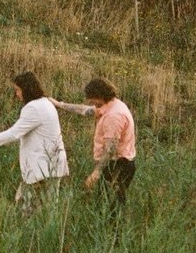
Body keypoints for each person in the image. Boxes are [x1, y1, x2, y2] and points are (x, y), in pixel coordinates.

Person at [0, 71, 68, 212]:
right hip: (53, 164)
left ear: (27, 89)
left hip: (42, 168)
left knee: (28, 209)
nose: (17, 94)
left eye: (18, 90)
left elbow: (13, 134)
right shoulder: (46, 103)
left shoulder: (33, 108)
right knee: (48, 209)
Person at [50, 77, 137, 206]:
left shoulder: (114, 116)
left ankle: (114, 227)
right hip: (116, 164)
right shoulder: (111, 104)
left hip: (118, 166)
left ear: (101, 95)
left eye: (92, 97)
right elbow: (85, 110)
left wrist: (96, 172)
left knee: (109, 208)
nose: (89, 100)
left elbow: (110, 149)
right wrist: (60, 104)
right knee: (107, 205)